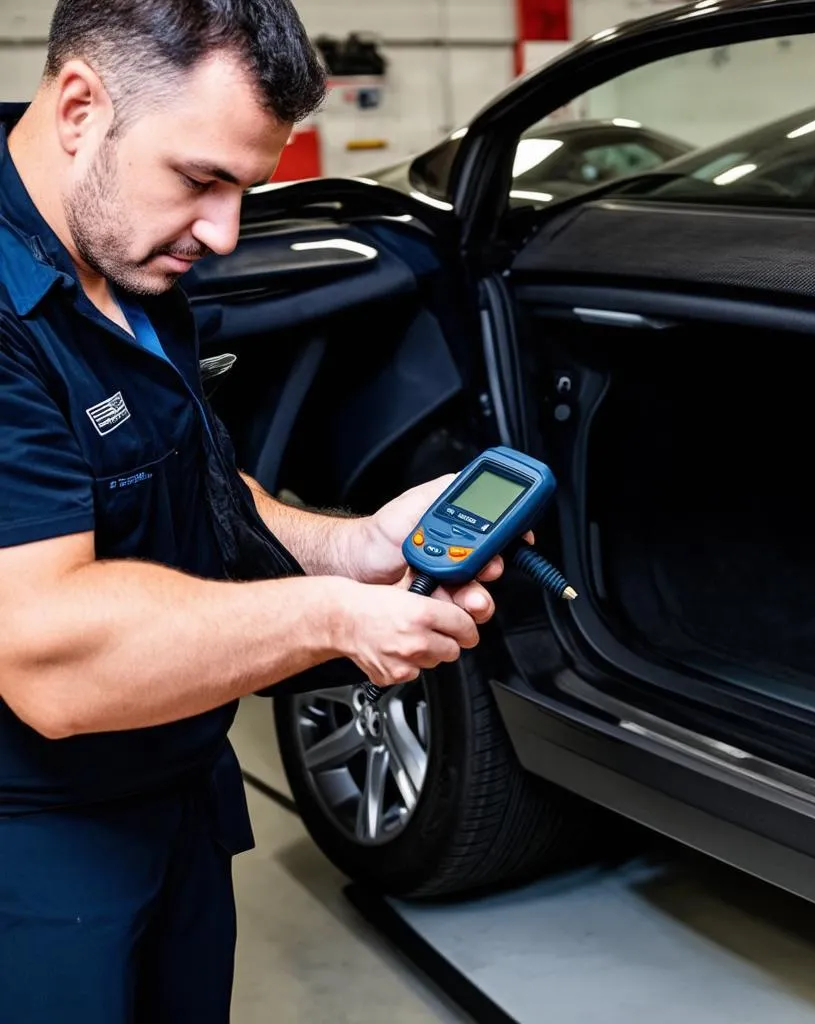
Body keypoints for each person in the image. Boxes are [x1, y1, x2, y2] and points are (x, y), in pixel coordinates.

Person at [0, 2, 513, 1021]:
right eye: (201, 179)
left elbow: (201, 491)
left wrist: (357, 547)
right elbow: (46, 653)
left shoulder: (128, 252)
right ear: (78, 107)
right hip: (36, 847)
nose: (225, 232)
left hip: (175, 787)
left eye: (246, 187)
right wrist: (330, 618)